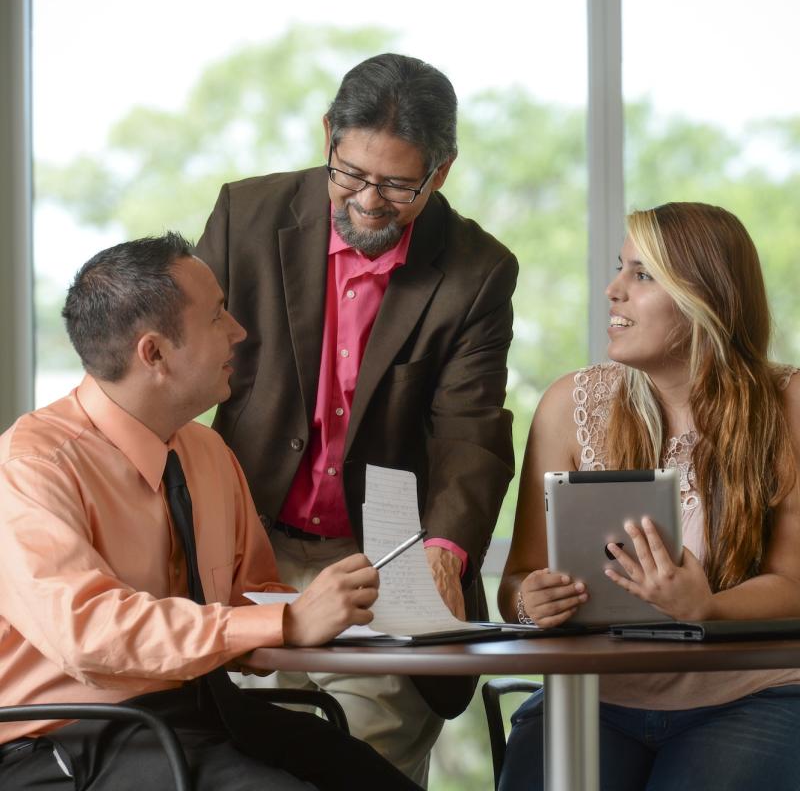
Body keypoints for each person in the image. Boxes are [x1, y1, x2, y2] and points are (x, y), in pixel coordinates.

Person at [195, 52, 518, 782]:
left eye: (400, 184)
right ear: (327, 139)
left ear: (441, 172)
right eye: (353, 174)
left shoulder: (477, 269)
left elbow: (470, 427)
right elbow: (183, 371)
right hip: (252, 545)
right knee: (250, 762)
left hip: (387, 559)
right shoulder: (245, 216)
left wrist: (444, 551)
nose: (370, 201)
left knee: (372, 765)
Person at [0, 233, 421, 791]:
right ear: (154, 354)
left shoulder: (207, 453)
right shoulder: (31, 465)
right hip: (68, 739)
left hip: (198, 714)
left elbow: (251, 597)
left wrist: (326, 608)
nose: (239, 332)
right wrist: (286, 621)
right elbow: (89, 634)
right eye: (219, 314)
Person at [497, 202, 800, 790]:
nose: (613, 291)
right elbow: (518, 582)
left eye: (642, 274)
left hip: (752, 693)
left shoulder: (787, 405)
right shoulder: (569, 405)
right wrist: (532, 602)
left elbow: (795, 583)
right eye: (620, 269)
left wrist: (707, 606)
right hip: (593, 698)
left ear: (705, 295)